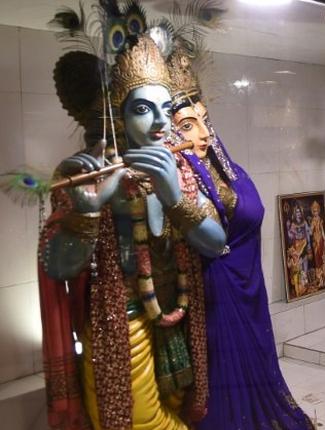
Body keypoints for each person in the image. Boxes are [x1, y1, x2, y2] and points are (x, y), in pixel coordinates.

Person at [39, 34, 226, 429]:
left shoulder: (181, 170)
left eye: (165, 108)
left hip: (180, 310)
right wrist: (86, 216)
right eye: (143, 109)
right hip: (120, 319)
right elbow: (57, 268)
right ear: (118, 114)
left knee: (180, 408)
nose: (160, 122)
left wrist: (174, 197)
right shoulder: (84, 173)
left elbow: (216, 244)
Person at [166, 47, 315, 429]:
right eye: (186, 126)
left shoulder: (232, 171)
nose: (200, 133)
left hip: (249, 288)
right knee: (226, 381)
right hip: (217, 296)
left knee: (259, 363)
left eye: (203, 120)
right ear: (170, 133)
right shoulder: (180, 183)